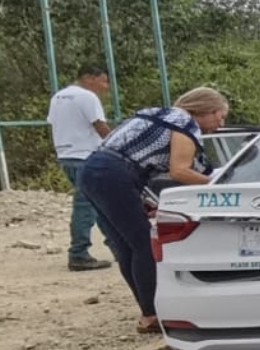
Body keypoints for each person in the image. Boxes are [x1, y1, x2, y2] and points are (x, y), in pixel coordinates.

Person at [78, 87, 228, 334]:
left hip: (93, 169)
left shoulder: (158, 114)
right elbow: (179, 170)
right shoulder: (185, 123)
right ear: (205, 110)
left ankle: (148, 312)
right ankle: (152, 314)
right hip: (116, 175)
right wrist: (219, 186)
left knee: (125, 246)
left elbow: (133, 153)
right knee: (144, 246)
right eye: (219, 116)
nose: (220, 124)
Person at [47, 65, 113, 271]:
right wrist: (117, 144)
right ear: (89, 78)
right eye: (103, 81)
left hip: (67, 155)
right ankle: (78, 253)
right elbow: (100, 126)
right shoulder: (87, 97)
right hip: (85, 156)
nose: (105, 87)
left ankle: (117, 244)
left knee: (100, 203)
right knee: (86, 206)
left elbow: (54, 124)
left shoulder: (59, 97)